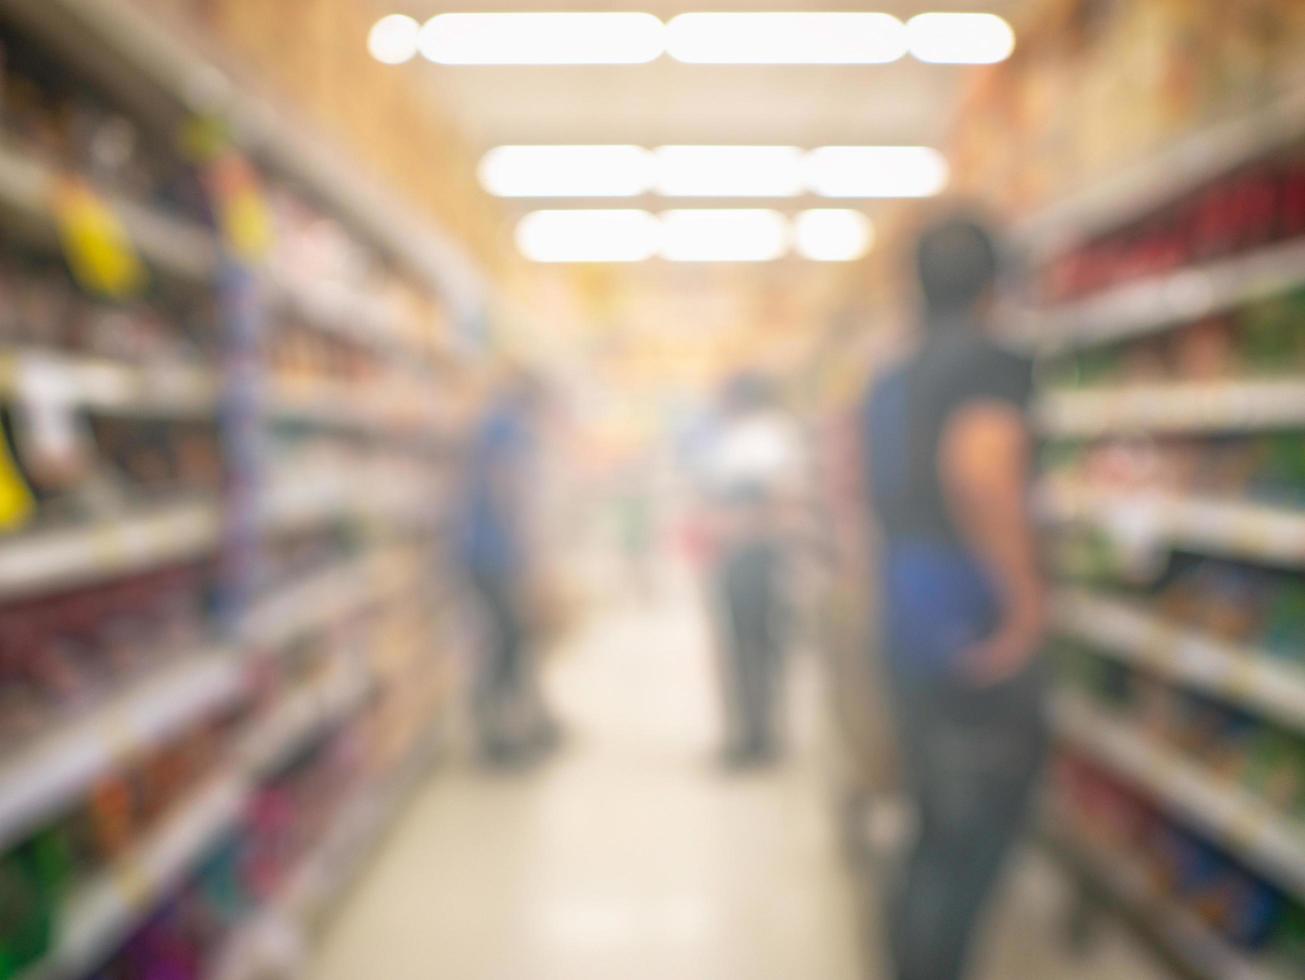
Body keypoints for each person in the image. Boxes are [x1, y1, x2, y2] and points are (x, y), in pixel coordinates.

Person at [860, 213, 1048, 980]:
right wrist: (1026, 605)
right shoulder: (989, 363)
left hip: (906, 604)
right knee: (977, 828)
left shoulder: (890, 376)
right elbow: (979, 469)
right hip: (970, 610)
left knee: (933, 819)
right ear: (992, 286)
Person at [455, 367, 559, 766]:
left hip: (488, 552)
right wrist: (527, 551)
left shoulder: (496, 423)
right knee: (507, 641)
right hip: (493, 554)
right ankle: (495, 735)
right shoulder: (508, 427)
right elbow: (507, 487)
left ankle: (522, 724)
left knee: (512, 641)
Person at [703, 372, 805, 768]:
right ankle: (750, 731)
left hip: (756, 554)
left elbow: (781, 497)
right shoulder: (749, 437)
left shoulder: (767, 436)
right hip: (741, 552)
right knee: (745, 646)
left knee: (757, 646)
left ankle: (759, 736)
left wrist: (746, 528)